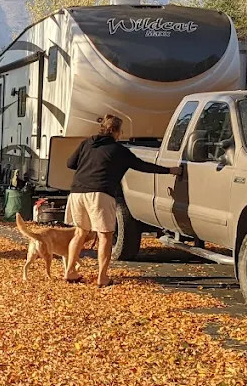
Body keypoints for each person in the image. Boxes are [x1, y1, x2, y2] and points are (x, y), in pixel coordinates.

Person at [64, 114, 182, 288]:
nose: (121, 134)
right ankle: (102, 277)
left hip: (77, 193)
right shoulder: (119, 151)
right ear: (115, 131)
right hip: (100, 194)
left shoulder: (87, 143)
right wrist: (170, 170)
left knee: (80, 233)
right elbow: (143, 166)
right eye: (120, 131)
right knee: (105, 236)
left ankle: (70, 272)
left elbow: (70, 163)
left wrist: (88, 165)